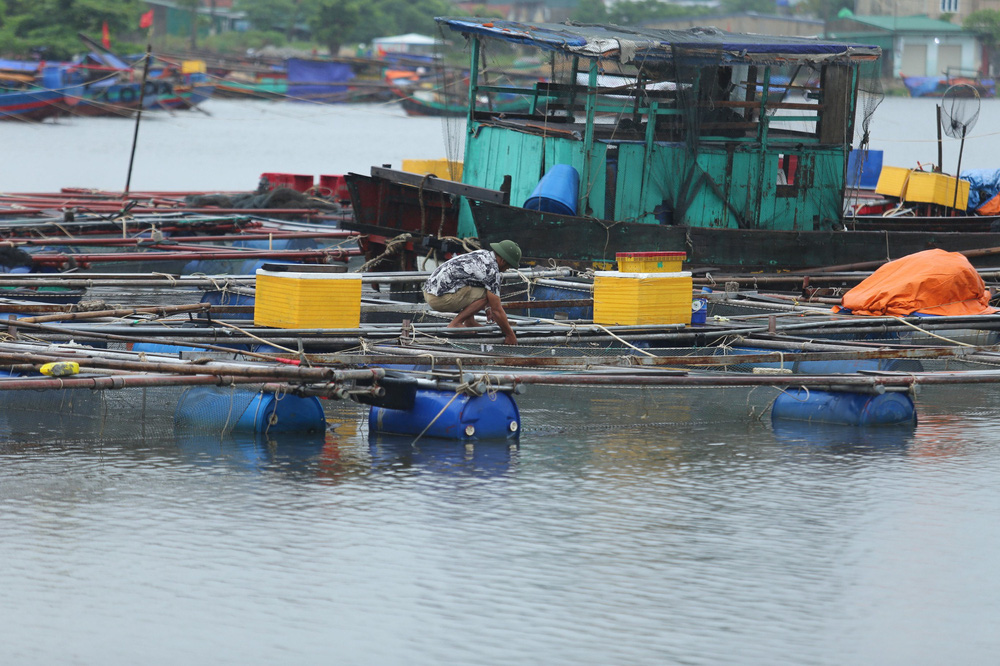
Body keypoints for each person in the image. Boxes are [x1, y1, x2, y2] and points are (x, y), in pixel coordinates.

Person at [423, 240, 521, 345]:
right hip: (440, 299)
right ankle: (455, 324)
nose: (506, 270)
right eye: (508, 266)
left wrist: (487, 308)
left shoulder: (483, 254)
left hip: (429, 291)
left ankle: (470, 322)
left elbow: (473, 280)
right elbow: (497, 309)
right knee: (487, 295)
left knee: (479, 288)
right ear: (502, 260)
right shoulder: (492, 270)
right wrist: (510, 334)